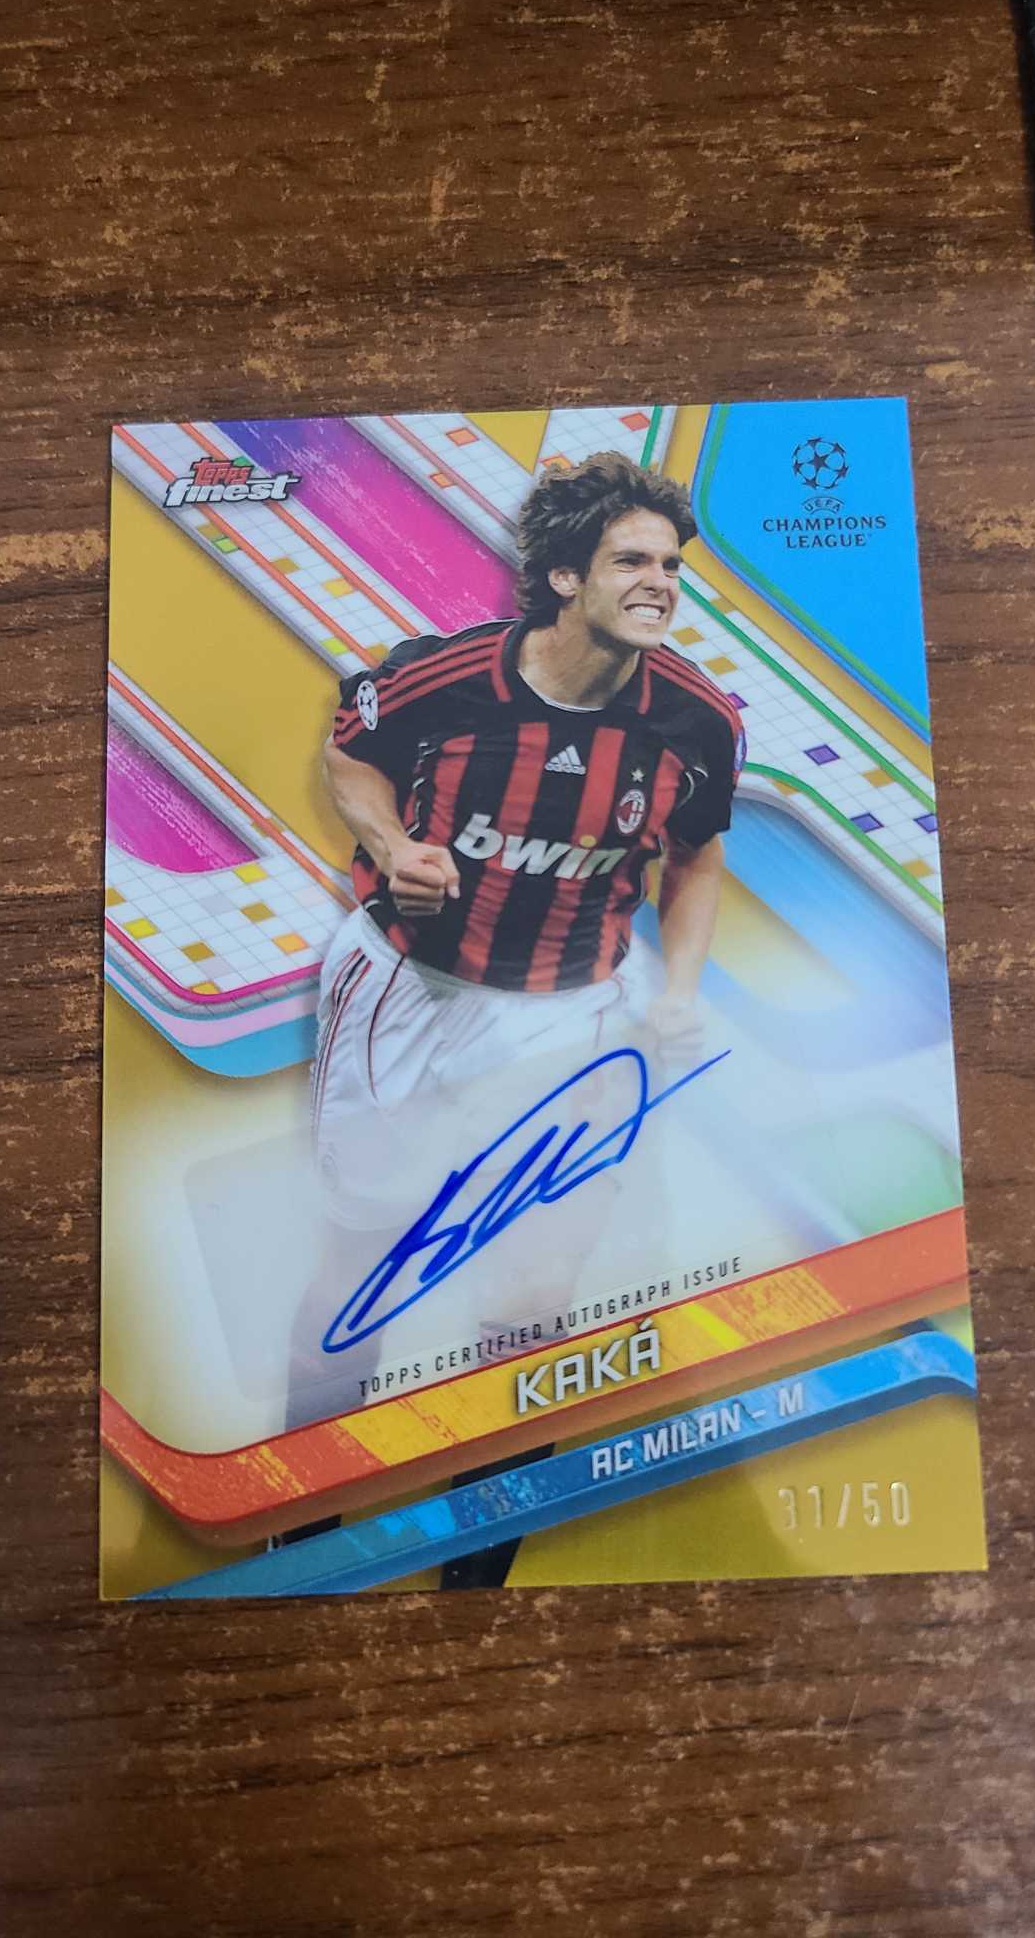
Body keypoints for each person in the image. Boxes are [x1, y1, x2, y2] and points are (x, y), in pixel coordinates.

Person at [290, 450, 744, 1426]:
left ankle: (501, 1493)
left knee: (539, 1278)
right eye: (631, 562)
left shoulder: (697, 721)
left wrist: (680, 990)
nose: (660, 584)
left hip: (573, 1010)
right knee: (364, 1257)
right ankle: (311, 1478)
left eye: (671, 565)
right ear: (565, 576)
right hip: (410, 992)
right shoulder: (446, 678)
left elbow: (697, 851)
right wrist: (394, 847)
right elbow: (351, 756)